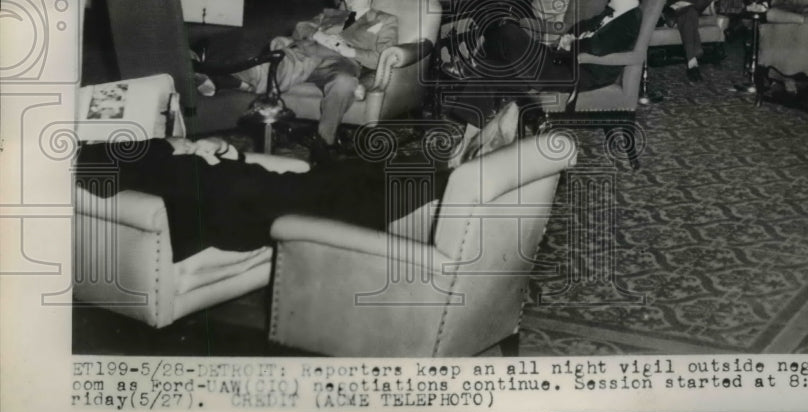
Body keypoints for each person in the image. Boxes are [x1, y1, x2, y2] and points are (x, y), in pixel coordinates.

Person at [74, 105, 521, 263]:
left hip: (241, 182)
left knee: (345, 175)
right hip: (233, 206)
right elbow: (99, 177)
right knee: (342, 190)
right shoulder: (83, 158)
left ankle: (453, 171)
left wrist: (215, 149)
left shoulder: (123, 148)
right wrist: (176, 150)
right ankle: (453, 177)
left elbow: (172, 150)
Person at [233, 0, 398, 163]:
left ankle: (325, 143)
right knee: (297, 57)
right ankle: (231, 79)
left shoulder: (385, 20)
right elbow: (300, 28)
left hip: (341, 65)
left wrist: (349, 50)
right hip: (307, 56)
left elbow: (384, 55)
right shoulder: (330, 14)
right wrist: (319, 35)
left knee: (345, 83)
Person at [448, 0, 651, 95]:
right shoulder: (612, 13)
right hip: (561, 61)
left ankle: (470, 66)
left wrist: (572, 44)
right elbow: (579, 26)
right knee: (490, 68)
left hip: (577, 73)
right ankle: (468, 141)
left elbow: (598, 46)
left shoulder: (629, 21)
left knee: (508, 31)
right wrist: (570, 38)